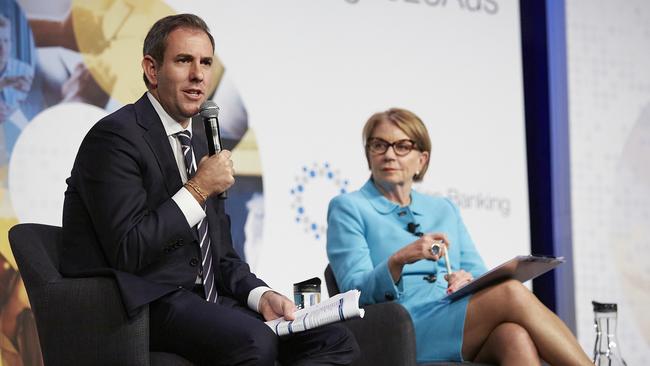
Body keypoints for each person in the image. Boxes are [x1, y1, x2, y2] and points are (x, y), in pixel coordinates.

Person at [61, 13, 358, 366]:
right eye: (184, 60)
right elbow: (129, 249)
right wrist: (198, 188)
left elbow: (222, 256)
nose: (198, 75)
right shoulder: (115, 137)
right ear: (152, 70)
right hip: (149, 301)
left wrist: (261, 296)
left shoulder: (201, 144)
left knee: (334, 340)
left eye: (206, 63)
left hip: (208, 300)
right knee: (255, 343)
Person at [326, 108, 592, 365]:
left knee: (513, 337)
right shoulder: (348, 208)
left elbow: (479, 272)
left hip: (452, 314)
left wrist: (468, 280)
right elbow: (353, 294)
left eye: (402, 146)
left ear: (422, 160)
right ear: (368, 154)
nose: (389, 155)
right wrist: (398, 260)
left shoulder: (444, 209)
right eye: (379, 145)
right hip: (399, 326)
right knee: (510, 292)